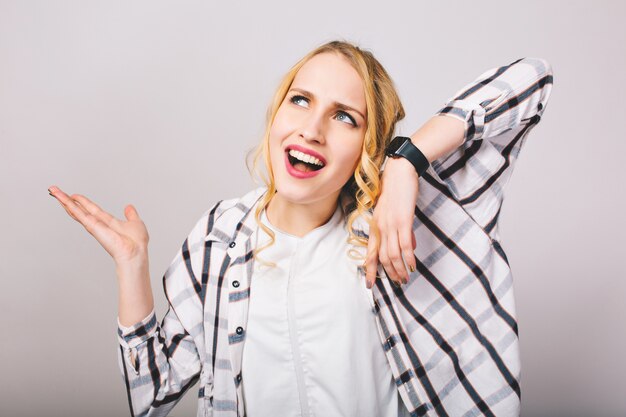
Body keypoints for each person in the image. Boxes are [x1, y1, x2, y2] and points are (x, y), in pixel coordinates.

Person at [49, 40, 553, 417]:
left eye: (345, 117)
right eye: (301, 100)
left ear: (366, 145)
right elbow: (150, 397)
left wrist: (407, 163)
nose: (312, 129)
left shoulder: (402, 221)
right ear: (276, 114)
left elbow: (531, 78)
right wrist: (131, 266)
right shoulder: (219, 239)